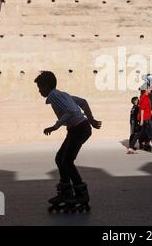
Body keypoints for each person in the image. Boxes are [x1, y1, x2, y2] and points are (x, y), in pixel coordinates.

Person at [34, 71, 102, 207]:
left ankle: (81, 194)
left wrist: (55, 126)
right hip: (77, 128)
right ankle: (66, 192)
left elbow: (71, 111)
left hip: (79, 129)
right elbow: (82, 102)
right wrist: (91, 120)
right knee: (60, 159)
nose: (39, 91)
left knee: (67, 161)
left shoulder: (55, 96)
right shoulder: (62, 94)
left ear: (47, 86)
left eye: (40, 88)